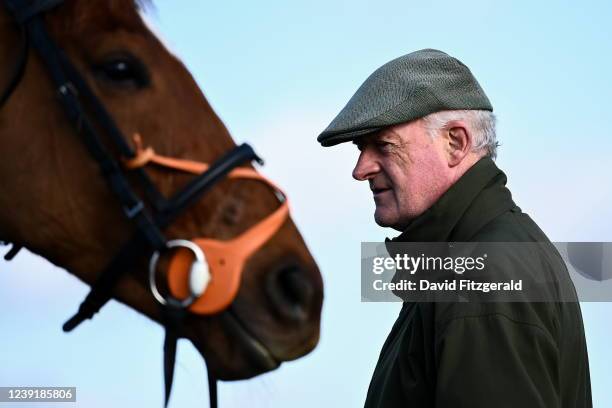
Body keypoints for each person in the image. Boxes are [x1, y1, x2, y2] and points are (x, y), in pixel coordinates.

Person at [317, 49, 592, 407]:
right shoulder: (474, 261)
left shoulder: (480, 276)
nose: (361, 169)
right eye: (360, 148)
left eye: (383, 145)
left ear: (456, 143)